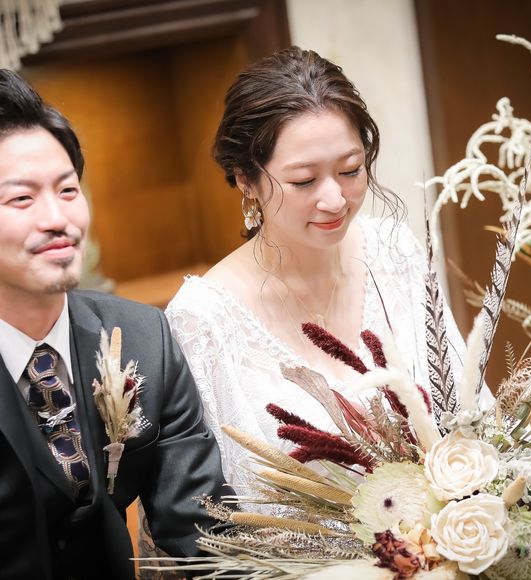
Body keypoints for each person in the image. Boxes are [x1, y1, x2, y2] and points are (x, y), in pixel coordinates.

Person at [166, 47, 494, 492]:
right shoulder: (202, 318)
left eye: (350, 170)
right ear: (245, 178)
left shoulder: (394, 250)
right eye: (304, 180)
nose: (335, 200)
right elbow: (212, 505)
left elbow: (471, 409)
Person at [0, 69, 232, 580]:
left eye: (67, 190)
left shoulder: (143, 338)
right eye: (21, 199)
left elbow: (205, 531)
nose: (57, 219)